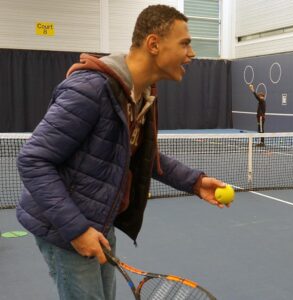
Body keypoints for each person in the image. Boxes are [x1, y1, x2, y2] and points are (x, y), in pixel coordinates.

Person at [16, 5, 230, 300]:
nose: (191, 53)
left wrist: (194, 181)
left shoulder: (137, 94)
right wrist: (77, 230)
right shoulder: (90, 90)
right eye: (185, 43)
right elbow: (33, 160)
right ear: (154, 44)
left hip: (99, 221)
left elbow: (142, 154)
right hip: (63, 228)